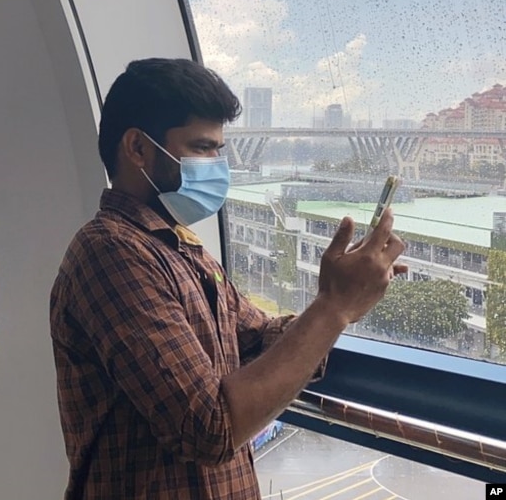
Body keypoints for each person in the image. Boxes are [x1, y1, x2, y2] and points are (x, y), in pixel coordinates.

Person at [49, 58, 406, 499]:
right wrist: (334, 308)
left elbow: (258, 340)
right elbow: (209, 428)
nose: (217, 164)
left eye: (219, 148)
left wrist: (350, 294)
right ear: (138, 149)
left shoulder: (184, 249)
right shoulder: (112, 254)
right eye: (202, 147)